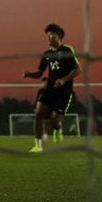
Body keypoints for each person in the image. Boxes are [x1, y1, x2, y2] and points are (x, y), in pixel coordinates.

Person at [23, 23, 80, 153]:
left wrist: (64, 80)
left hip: (64, 91)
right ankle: (38, 146)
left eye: (51, 35)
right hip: (50, 89)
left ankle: (58, 128)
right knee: (38, 114)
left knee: (54, 120)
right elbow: (40, 73)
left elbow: (78, 69)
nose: (48, 38)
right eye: (47, 36)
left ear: (59, 36)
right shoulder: (46, 54)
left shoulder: (67, 50)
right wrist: (30, 74)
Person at [35, 77, 49, 141]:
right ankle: (44, 134)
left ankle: (58, 132)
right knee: (43, 122)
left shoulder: (51, 90)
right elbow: (37, 99)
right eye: (44, 82)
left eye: (46, 82)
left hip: (50, 107)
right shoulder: (40, 91)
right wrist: (35, 107)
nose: (45, 83)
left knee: (52, 121)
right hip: (42, 108)